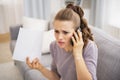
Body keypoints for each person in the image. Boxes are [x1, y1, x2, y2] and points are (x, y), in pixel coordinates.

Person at [26, 4, 98, 80]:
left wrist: (77, 54)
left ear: (77, 33)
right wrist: (40, 68)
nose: (59, 37)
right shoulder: (54, 46)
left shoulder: (89, 47)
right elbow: (56, 77)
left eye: (65, 32)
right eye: (56, 31)